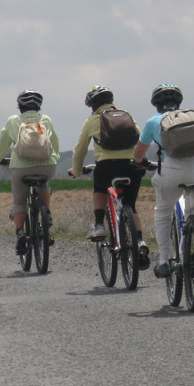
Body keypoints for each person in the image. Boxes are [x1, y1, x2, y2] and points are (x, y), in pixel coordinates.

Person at [134, 83, 194, 279]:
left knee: (163, 211)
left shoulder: (153, 122)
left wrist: (140, 163)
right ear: (179, 103)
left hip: (173, 170)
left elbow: (139, 153)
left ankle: (164, 261)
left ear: (156, 105)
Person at [68, 86, 150, 266]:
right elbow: (140, 139)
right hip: (131, 166)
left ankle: (98, 224)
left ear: (92, 106)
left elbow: (80, 150)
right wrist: (142, 161)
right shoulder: (127, 116)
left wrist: (77, 170)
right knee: (131, 205)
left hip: (106, 166)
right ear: (111, 102)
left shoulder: (92, 121)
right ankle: (140, 240)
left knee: (99, 188)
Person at [0, 90, 60, 254]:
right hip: (47, 166)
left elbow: (3, 144)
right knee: (44, 183)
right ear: (38, 106)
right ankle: (47, 213)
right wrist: (54, 157)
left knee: (19, 201)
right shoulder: (46, 120)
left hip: (21, 168)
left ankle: (20, 232)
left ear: (20, 106)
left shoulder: (13, 121)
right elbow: (54, 143)